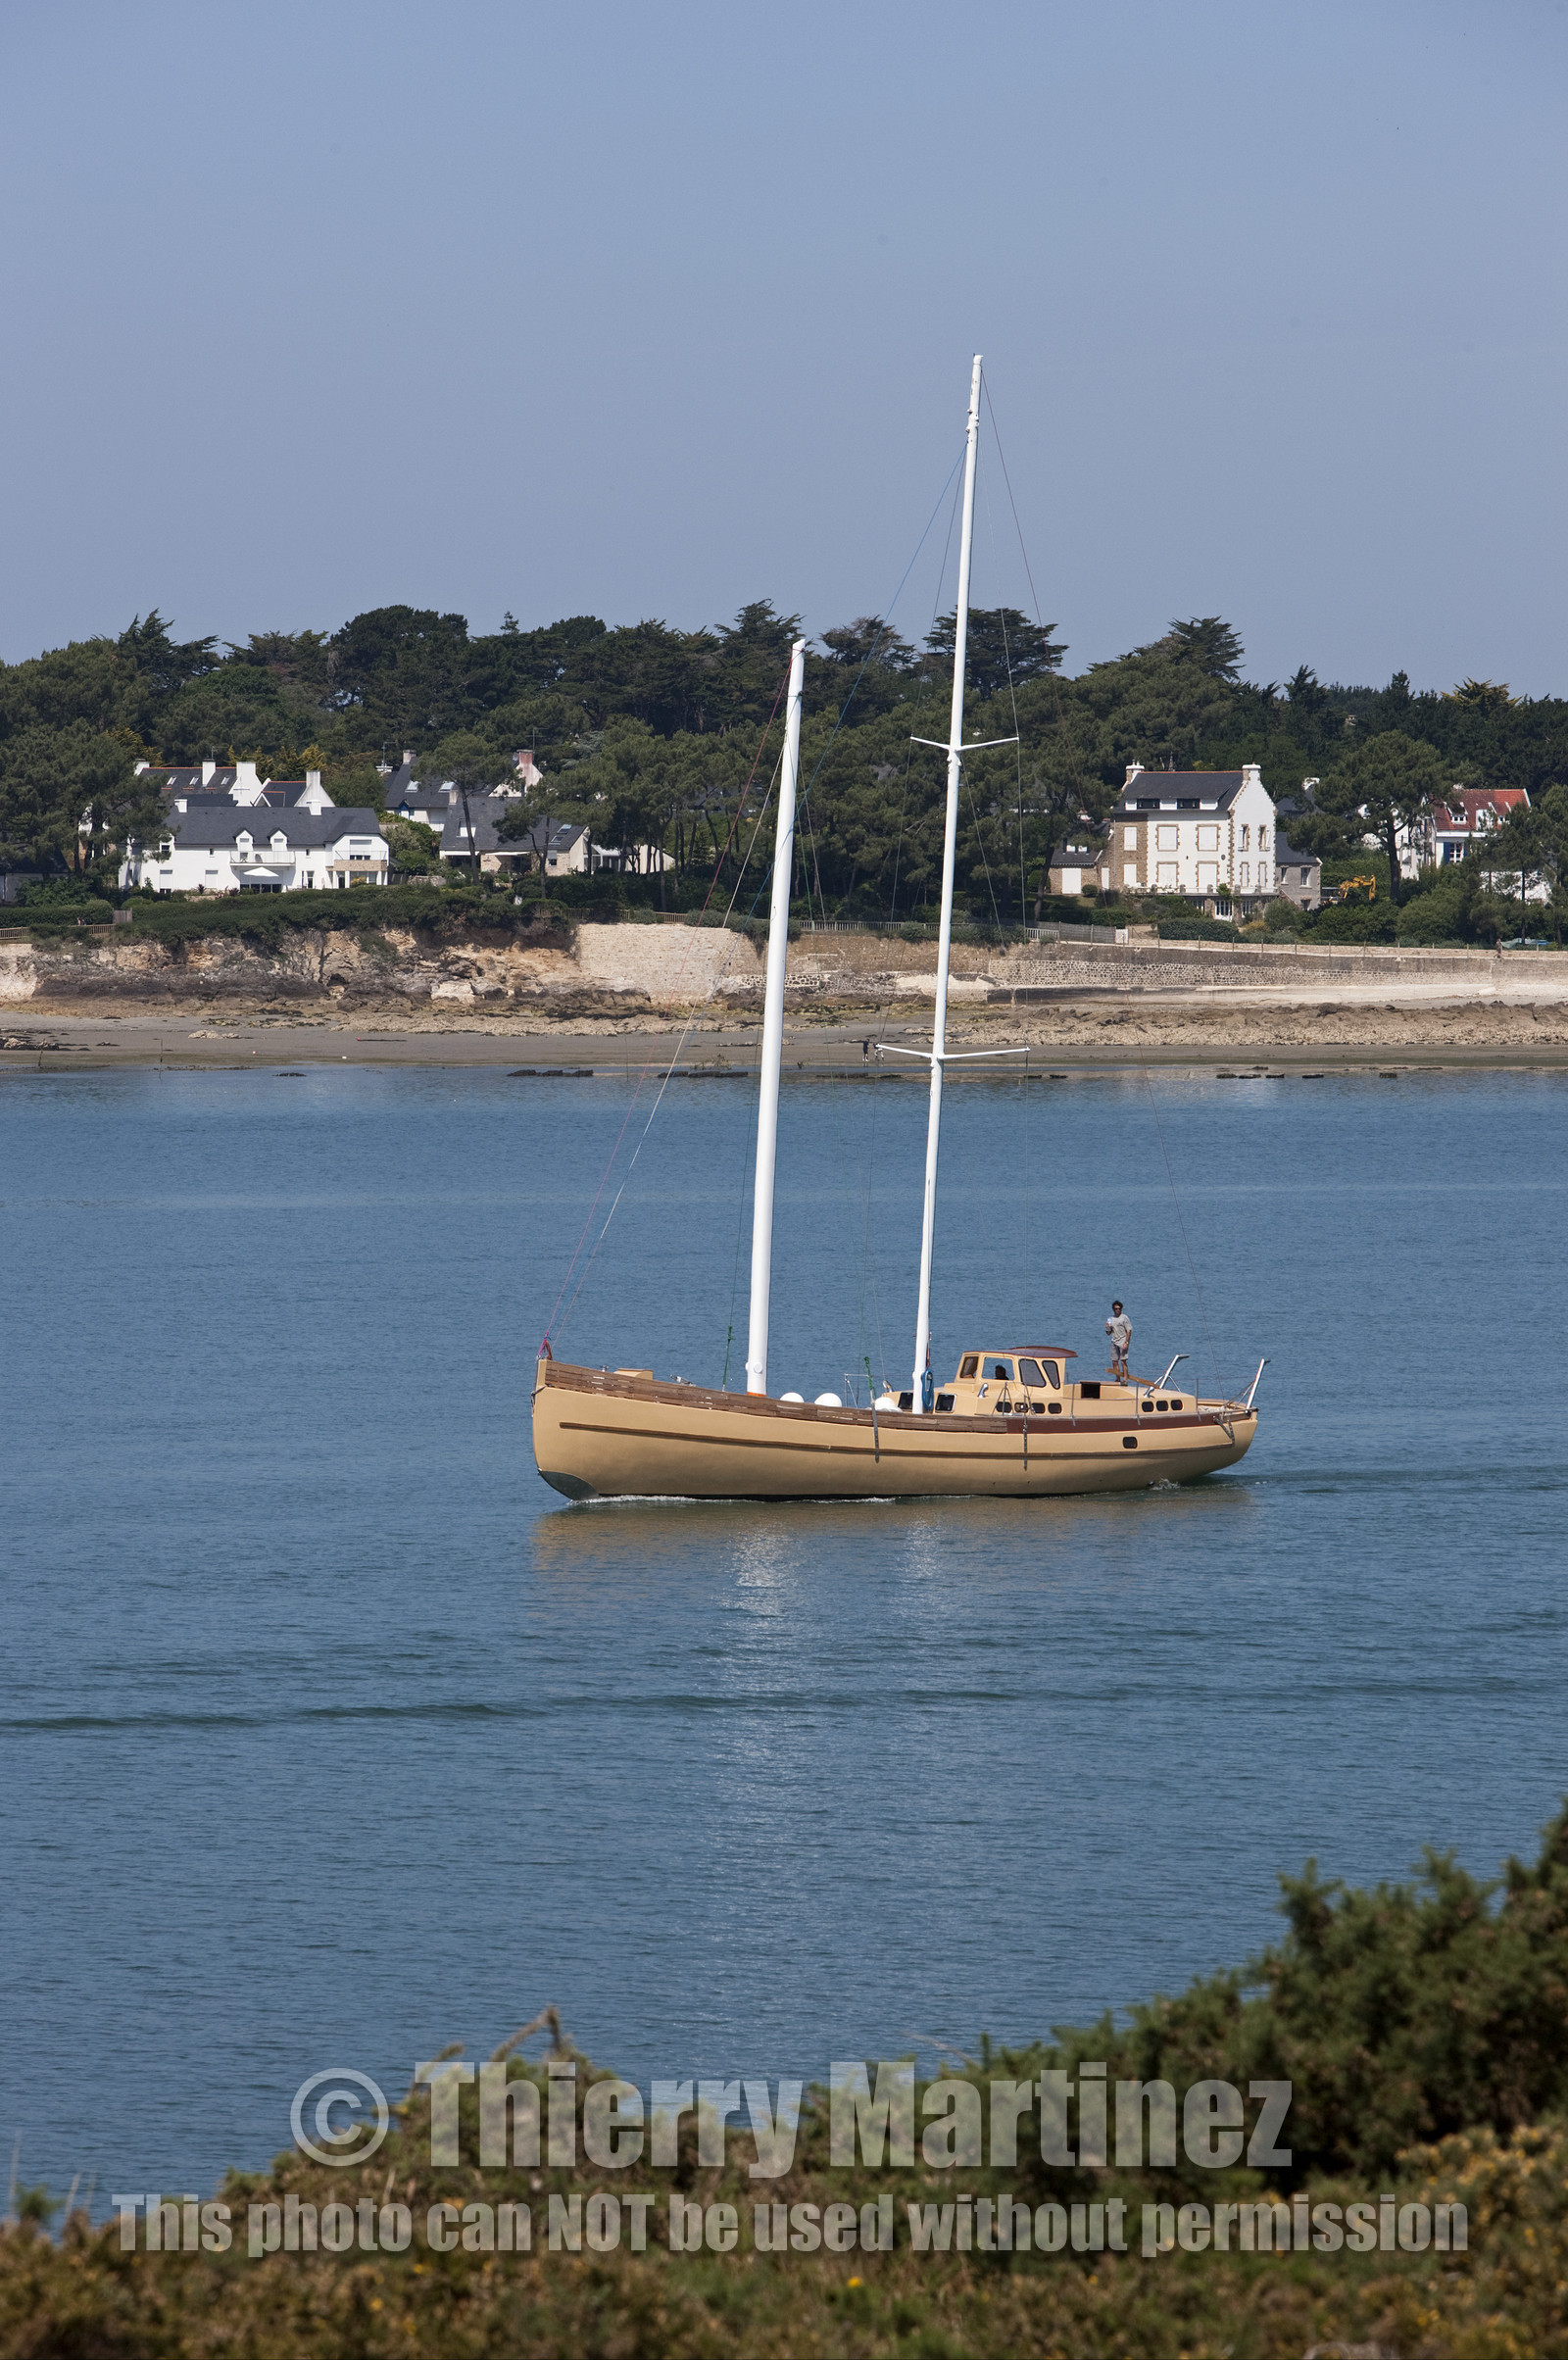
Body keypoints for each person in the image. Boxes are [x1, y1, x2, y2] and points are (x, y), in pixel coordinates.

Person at [1106, 1301, 1131, 1380]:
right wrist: (1107, 1327)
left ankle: (1125, 1379)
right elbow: (1108, 1333)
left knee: (1123, 1361)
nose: (1118, 1310)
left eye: (1119, 1308)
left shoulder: (1124, 1317)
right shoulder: (1111, 1319)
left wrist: (1126, 1342)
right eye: (1116, 1308)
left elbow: (1129, 1330)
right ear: (1113, 1309)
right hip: (1114, 1342)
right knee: (1114, 1361)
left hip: (1123, 1341)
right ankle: (1118, 1378)